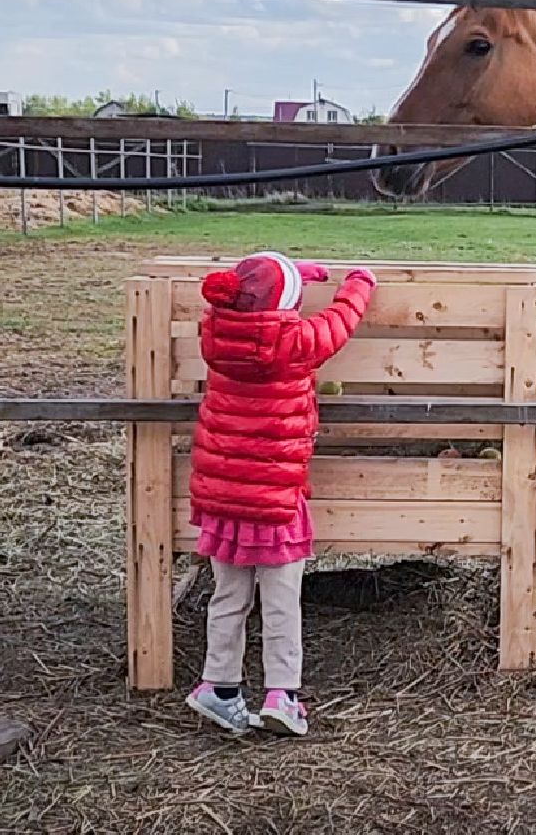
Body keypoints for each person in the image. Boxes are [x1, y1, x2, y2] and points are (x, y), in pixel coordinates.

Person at [184, 251, 377, 736]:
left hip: (223, 501)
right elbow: (340, 322)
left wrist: (294, 277)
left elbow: (248, 297)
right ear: (286, 305)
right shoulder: (293, 343)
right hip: (274, 502)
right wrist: (359, 283)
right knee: (280, 600)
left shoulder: (217, 334)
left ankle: (218, 688)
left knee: (228, 596)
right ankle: (281, 696)